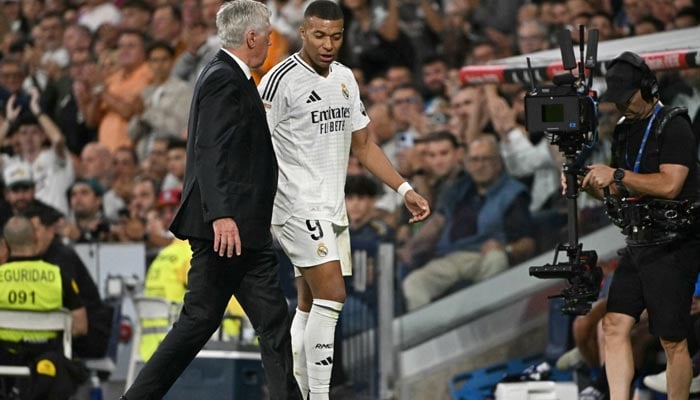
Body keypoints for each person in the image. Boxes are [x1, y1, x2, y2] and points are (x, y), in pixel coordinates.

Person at [121, 1, 302, 399]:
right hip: (227, 231)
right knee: (200, 321)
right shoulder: (224, 78)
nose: (272, 38)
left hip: (244, 232)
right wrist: (221, 215)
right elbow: (209, 150)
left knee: (273, 322)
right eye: (267, 32)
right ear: (251, 37)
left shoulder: (229, 76)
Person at [257, 2, 430, 398]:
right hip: (295, 205)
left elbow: (364, 145)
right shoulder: (279, 80)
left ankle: (294, 391)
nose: (328, 44)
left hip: (331, 205)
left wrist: (404, 190)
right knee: (332, 296)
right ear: (302, 33)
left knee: (306, 303)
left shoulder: (345, 78)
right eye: (319, 35)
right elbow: (253, 144)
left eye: (335, 36)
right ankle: (318, 396)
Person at [579, 51, 700, 400]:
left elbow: (669, 185)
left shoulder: (674, 124)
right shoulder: (625, 129)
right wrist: (592, 183)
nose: (621, 107)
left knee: (673, 339)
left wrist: (615, 174)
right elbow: (620, 188)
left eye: (626, 99)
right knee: (614, 324)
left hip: (675, 243)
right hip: (640, 239)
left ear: (647, 87)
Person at [399, 136, 535, 311]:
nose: (479, 165)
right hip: (450, 257)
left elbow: (528, 243)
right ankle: (432, 334)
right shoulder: (458, 189)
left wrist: (506, 249)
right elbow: (437, 223)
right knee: (414, 282)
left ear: (498, 162)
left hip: (482, 256)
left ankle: (488, 322)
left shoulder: (513, 193)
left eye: (485, 159)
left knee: (497, 259)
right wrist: (409, 248)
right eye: (474, 160)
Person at [0, 216, 88, 400]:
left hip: (5, 358)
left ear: (6, 244)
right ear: (35, 238)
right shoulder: (59, 277)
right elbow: (80, 327)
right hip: (46, 360)